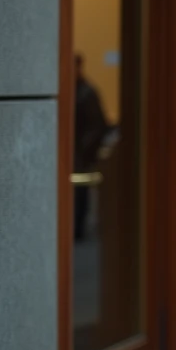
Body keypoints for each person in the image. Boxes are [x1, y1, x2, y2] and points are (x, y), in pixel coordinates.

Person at [73, 54, 109, 241]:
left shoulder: (87, 93)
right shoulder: (73, 91)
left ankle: (77, 230)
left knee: (80, 195)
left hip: (81, 155)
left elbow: (97, 126)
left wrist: (82, 150)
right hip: (75, 153)